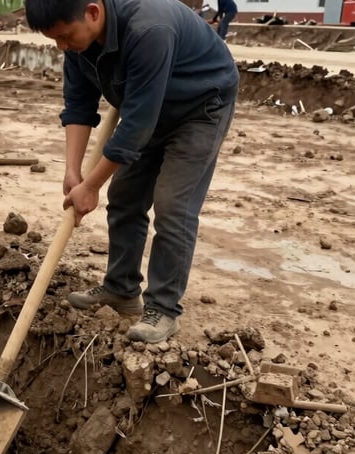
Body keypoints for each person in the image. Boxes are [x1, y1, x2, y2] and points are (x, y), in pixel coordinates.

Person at [24, 0, 238, 344]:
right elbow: (79, 105)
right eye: (55, 41)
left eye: (65, 36)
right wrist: (73, 172)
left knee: (172, 205)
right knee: (124, 196)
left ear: (93, 12)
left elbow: (136, 126)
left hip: (200, 106)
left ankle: (164, 309)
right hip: (148, 106)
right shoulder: (78, 42)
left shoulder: (149, 29)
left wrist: (91, 187)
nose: (62, 47)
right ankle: (121, 290)